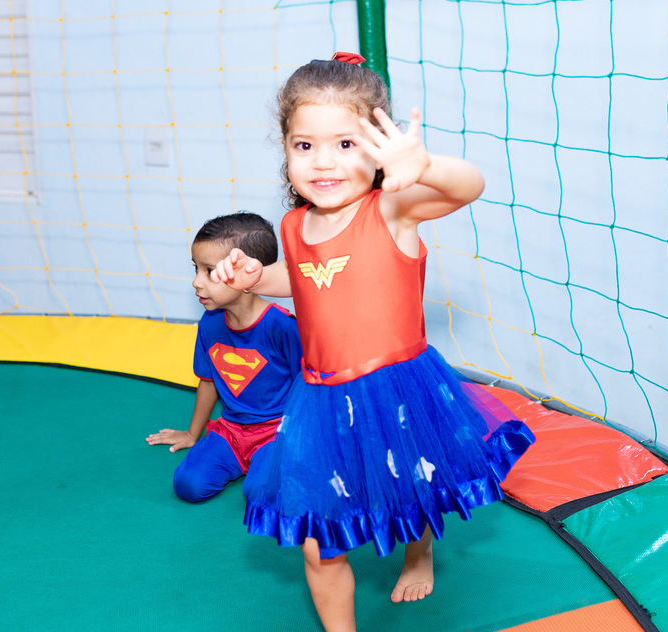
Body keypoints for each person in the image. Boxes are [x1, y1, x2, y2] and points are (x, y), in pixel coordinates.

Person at [213, 54, 535, 631]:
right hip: (321, 395)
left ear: (377, 148)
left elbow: (471, 187)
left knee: (411, 484)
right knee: (318, 540)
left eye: (345, 144)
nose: (323, 161)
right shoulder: (293, 225)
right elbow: (306, 277)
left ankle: (418, 552)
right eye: (304, 145)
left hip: (398, 387)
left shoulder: (393, 208)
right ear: (285, 148)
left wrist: (427, 165)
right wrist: (257, 278)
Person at [146, 212, 302, 503]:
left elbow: (308, 388)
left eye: (209, 271)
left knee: (259, 494)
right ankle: (244, 462)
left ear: (249, 273)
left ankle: (270, 463)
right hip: (231, 429)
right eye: (196, 269)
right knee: (188, 485)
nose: (197, 282)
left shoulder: (282, 327)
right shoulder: (210, 323)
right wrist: (192, 434)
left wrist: (301, 442)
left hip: (277, 432)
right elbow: (208, 381)